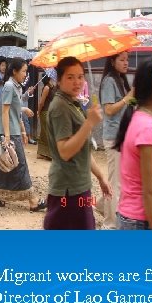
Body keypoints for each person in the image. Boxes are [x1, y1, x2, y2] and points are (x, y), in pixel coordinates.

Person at [44, 56, 111, 230]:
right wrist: (89, 123)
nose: (77, 82)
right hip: (67, 189)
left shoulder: (73, 103)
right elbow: (65, 151)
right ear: (59, 80)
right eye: (70, 77)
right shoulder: (60, 107)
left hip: (80, 185)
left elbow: (84, 150)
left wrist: (101, 177)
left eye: (80, 76)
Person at [0, 58, 46, 211]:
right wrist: (7, 136)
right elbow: (4, 111)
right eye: (23, 71)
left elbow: (14, 111)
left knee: (3, 164)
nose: (26, 74)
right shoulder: (10, 86)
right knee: (20, 164)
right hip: (8, 133)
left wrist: (23, 129)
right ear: (14, 71)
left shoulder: (16, 86)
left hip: (13, 131)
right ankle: (33, 200)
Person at [114, 60, 152, 230]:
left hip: (130, 216)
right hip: (139, 220)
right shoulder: (147, 128)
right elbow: (150, 191)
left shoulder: (138, 118)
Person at [97, 51, 133, 230]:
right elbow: (109, 110)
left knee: (120, 179)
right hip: (113, 137)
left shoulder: (120, 80)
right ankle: (110, 225)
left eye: (127, 60)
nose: (126, 63)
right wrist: (127, 98)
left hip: (123, 136)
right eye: (122, 60)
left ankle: (103, 205)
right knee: (115, 182)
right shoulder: (110, 81)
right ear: (112, 61)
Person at [36, 69, 57, 160]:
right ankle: (48, 154)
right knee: (47, 133)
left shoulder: (52, 87)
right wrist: (38, 111)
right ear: (48, 78)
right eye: (51, 77)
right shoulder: (46, 88)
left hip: (50, 113)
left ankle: (42, 153)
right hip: (45, 113)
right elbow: (41, 102)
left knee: (45, 132)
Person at [20, 78, 37, 145]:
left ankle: (29, 138)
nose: (24, 74)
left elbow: (25, 97)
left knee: (25, 121)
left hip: (24, 104)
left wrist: (29, 92)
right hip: (18, 105)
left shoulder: (27, 79)